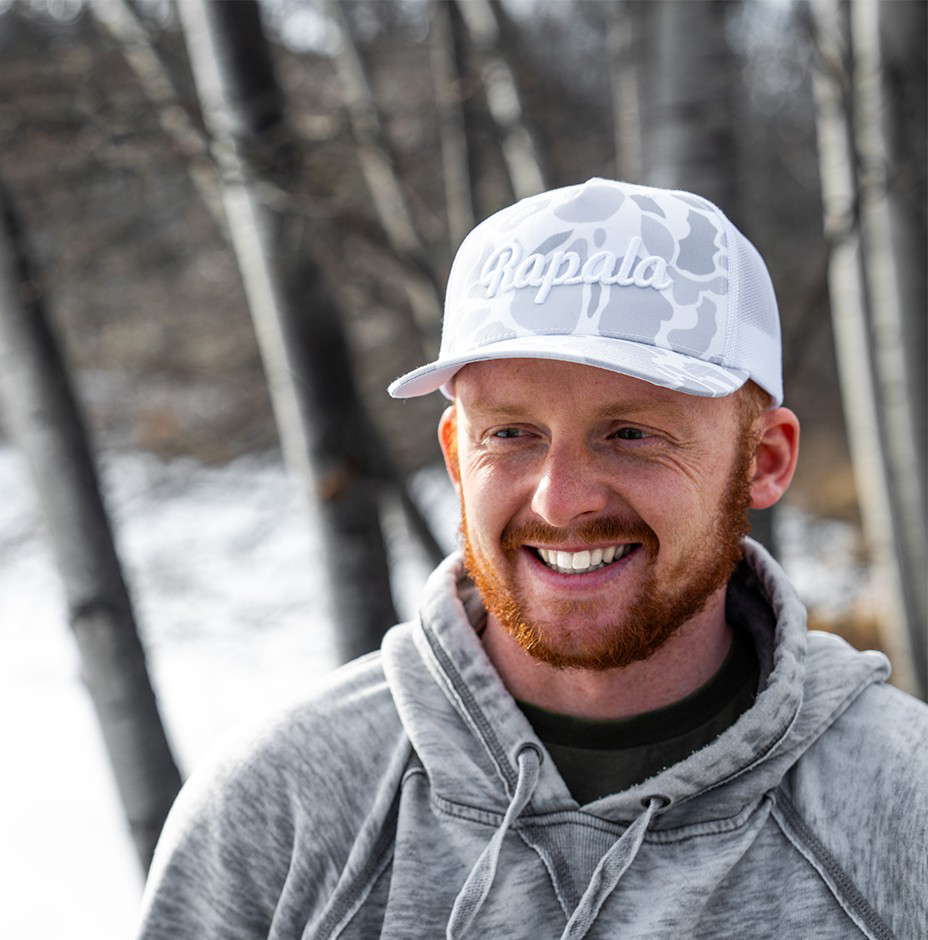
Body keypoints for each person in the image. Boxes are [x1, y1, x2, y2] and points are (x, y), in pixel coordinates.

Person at [136, 179, 927, 940]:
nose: (561, 501)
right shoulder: (283, 804)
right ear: (456, 454)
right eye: (511, 434)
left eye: (632, 433)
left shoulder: (905, 810)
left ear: (765, 459)